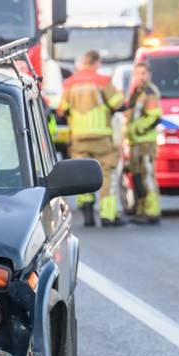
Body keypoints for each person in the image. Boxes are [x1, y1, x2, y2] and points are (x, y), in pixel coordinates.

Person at [57, 50, 127, 227]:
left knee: (83, 176)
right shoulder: (103, 81)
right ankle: (108, 216)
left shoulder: (70, 83)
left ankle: (88, 215)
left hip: (79, 138)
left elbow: (61, 109)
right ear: (96, 63)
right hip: (102, 138)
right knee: (106, 175)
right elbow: (119, 104)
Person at [125, 62, 163, 225]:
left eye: (143, 73)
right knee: (138, 178)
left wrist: (139, 130)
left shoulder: (149, 91)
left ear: (149, 74)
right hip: (136, 142)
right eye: (137, 73)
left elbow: (155, 116)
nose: (140, 76)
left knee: (147, 177)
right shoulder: (138, 91)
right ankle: (142, 210)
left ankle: (152, 211)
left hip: (145, 142)